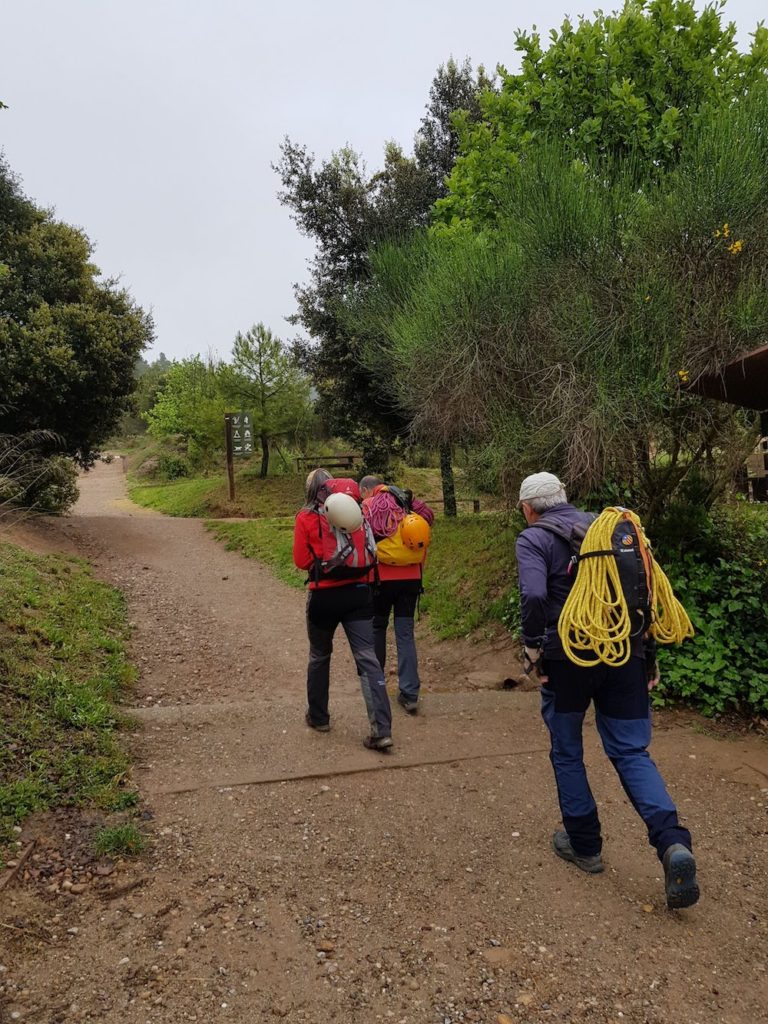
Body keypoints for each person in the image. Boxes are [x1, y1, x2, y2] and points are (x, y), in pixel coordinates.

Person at [515, 471, 699, 909]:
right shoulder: (613, 529)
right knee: (632, 752)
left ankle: (585, 845)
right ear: (565, 498)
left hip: (568, 660)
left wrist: (533, 650)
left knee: (567, 749)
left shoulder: (533, 539)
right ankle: (672, 842)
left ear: (527, 509)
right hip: (623, 654)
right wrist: (647, 654)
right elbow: (646, 595)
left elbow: (535, 596)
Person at [293, 468, 393, 751]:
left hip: (323, 598)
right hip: (360, 595)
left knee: (319, 656)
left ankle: (319, 716)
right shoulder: (358, 513)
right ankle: (381, 730)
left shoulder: (307, 517)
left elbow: (301, 561)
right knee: (367, 660)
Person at [360, 476, 434, 715]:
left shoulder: (370, 505)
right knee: (405, 633)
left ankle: (377, 688)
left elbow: (360, 537)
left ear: (366, 490)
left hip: (380, 578)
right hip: (411, 578)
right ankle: (410, 693)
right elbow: (429, 517)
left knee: (377, 629)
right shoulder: (405, 499)